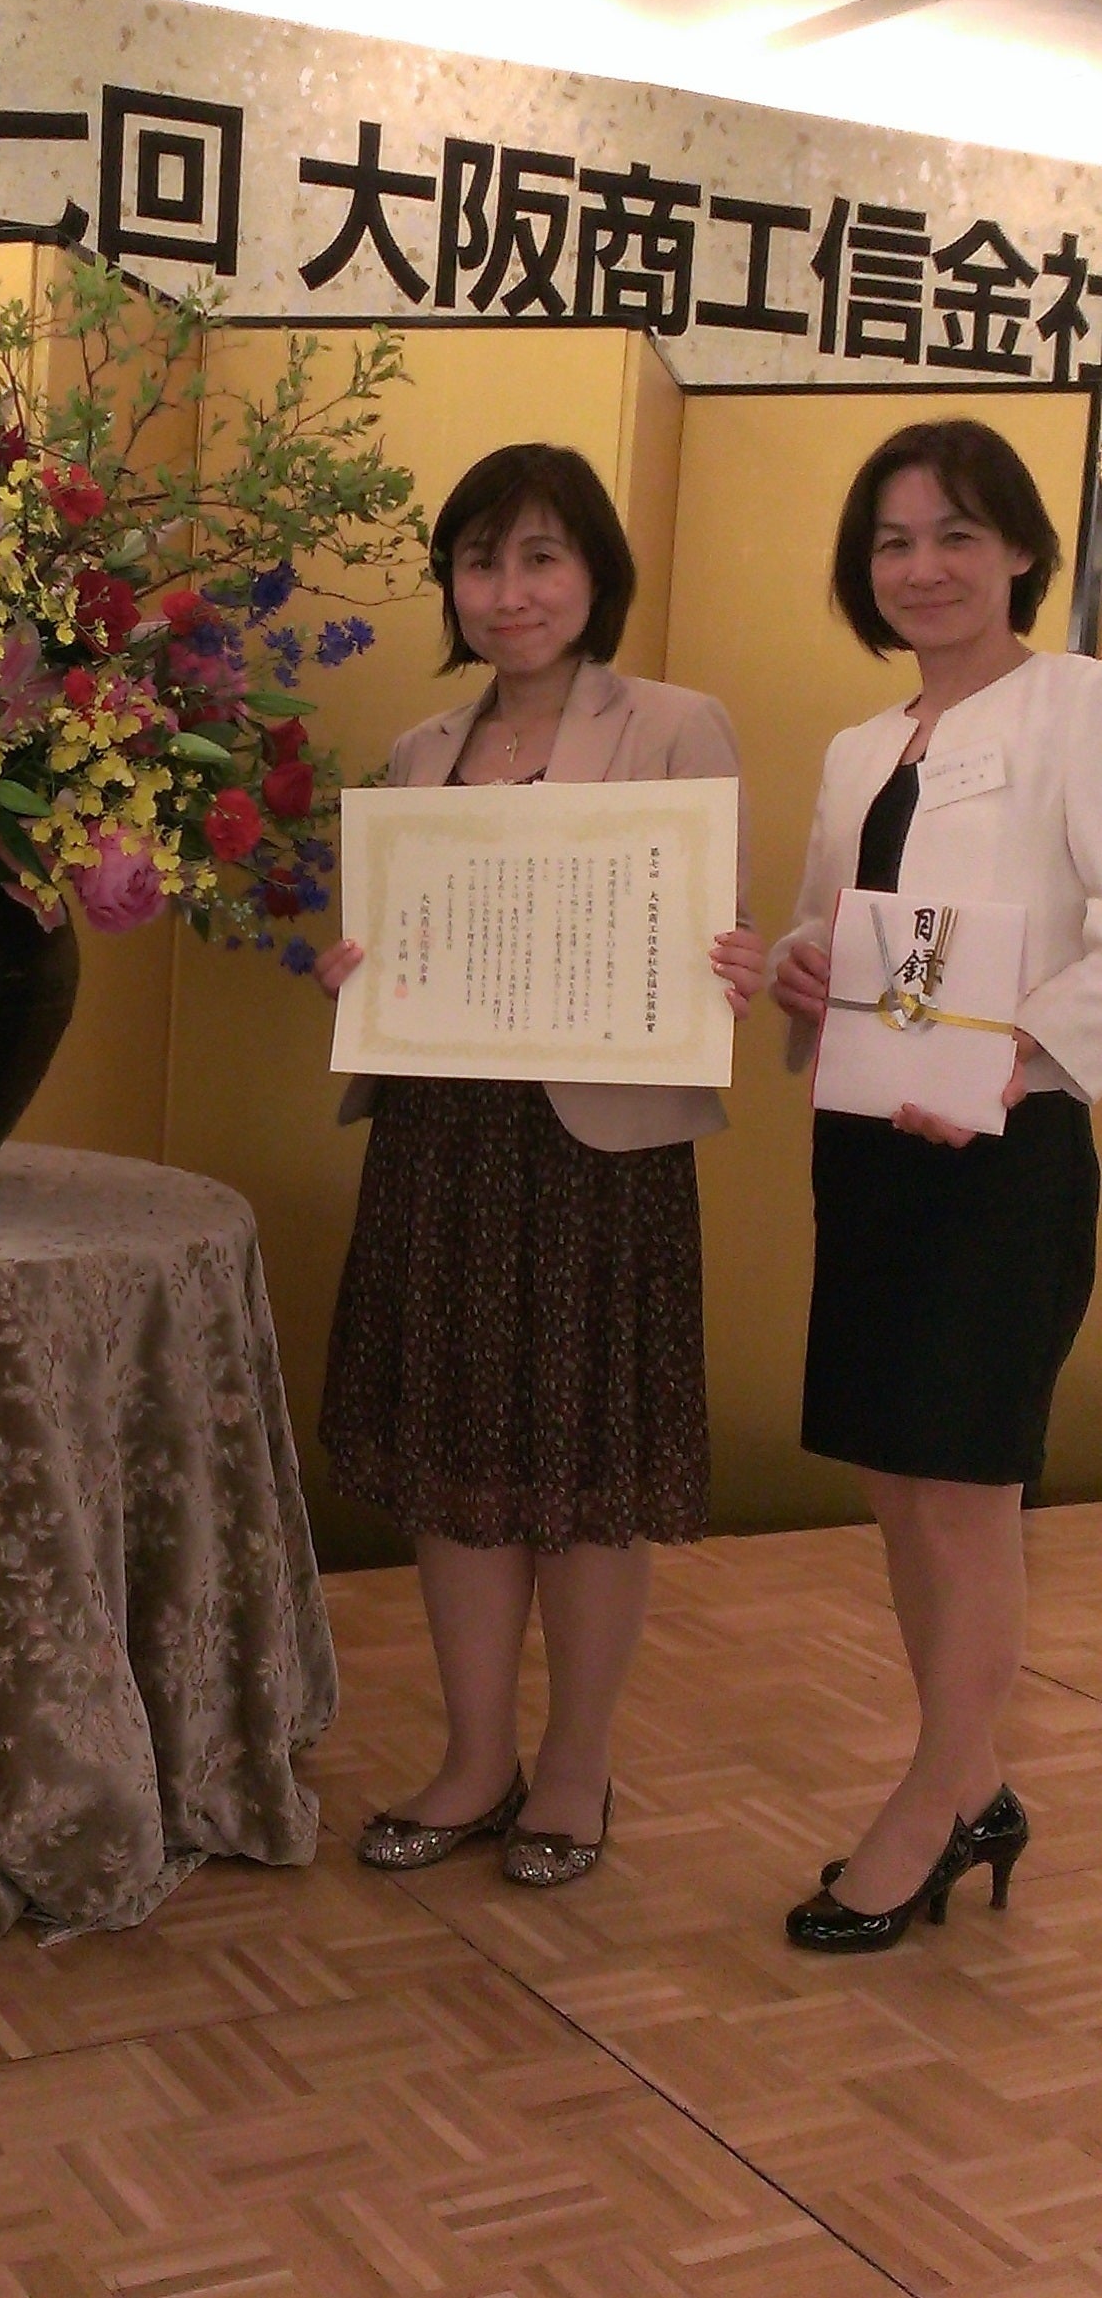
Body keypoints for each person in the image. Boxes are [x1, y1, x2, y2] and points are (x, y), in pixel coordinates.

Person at [318, 442, 762, 1886]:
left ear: (595, 575)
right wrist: (361, 975)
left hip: (599, 1154)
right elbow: (409, 945)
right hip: (444, 1145)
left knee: (587, 1469)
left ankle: (575, 1765)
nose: (508, 591)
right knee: (456, 1460)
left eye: (540, 557)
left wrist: (733, 961)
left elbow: (702, 926)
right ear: (452, 584)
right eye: (480, 561)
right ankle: (472, 1758)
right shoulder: (419, 754)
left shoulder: (678, 726)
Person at [772, 419, 1101, 1952]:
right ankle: (973, 1789)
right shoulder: (862, 745)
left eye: (958, 533)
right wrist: (797, 968)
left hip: (1001, 1157)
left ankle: (931, 1802)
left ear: (1022, 546)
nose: (925, 567)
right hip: (871, 1151)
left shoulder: (1078, 706)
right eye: (894, 541)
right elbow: (840, 935)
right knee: (900, 1486)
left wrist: (1014, 1055)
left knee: (968, 1496)